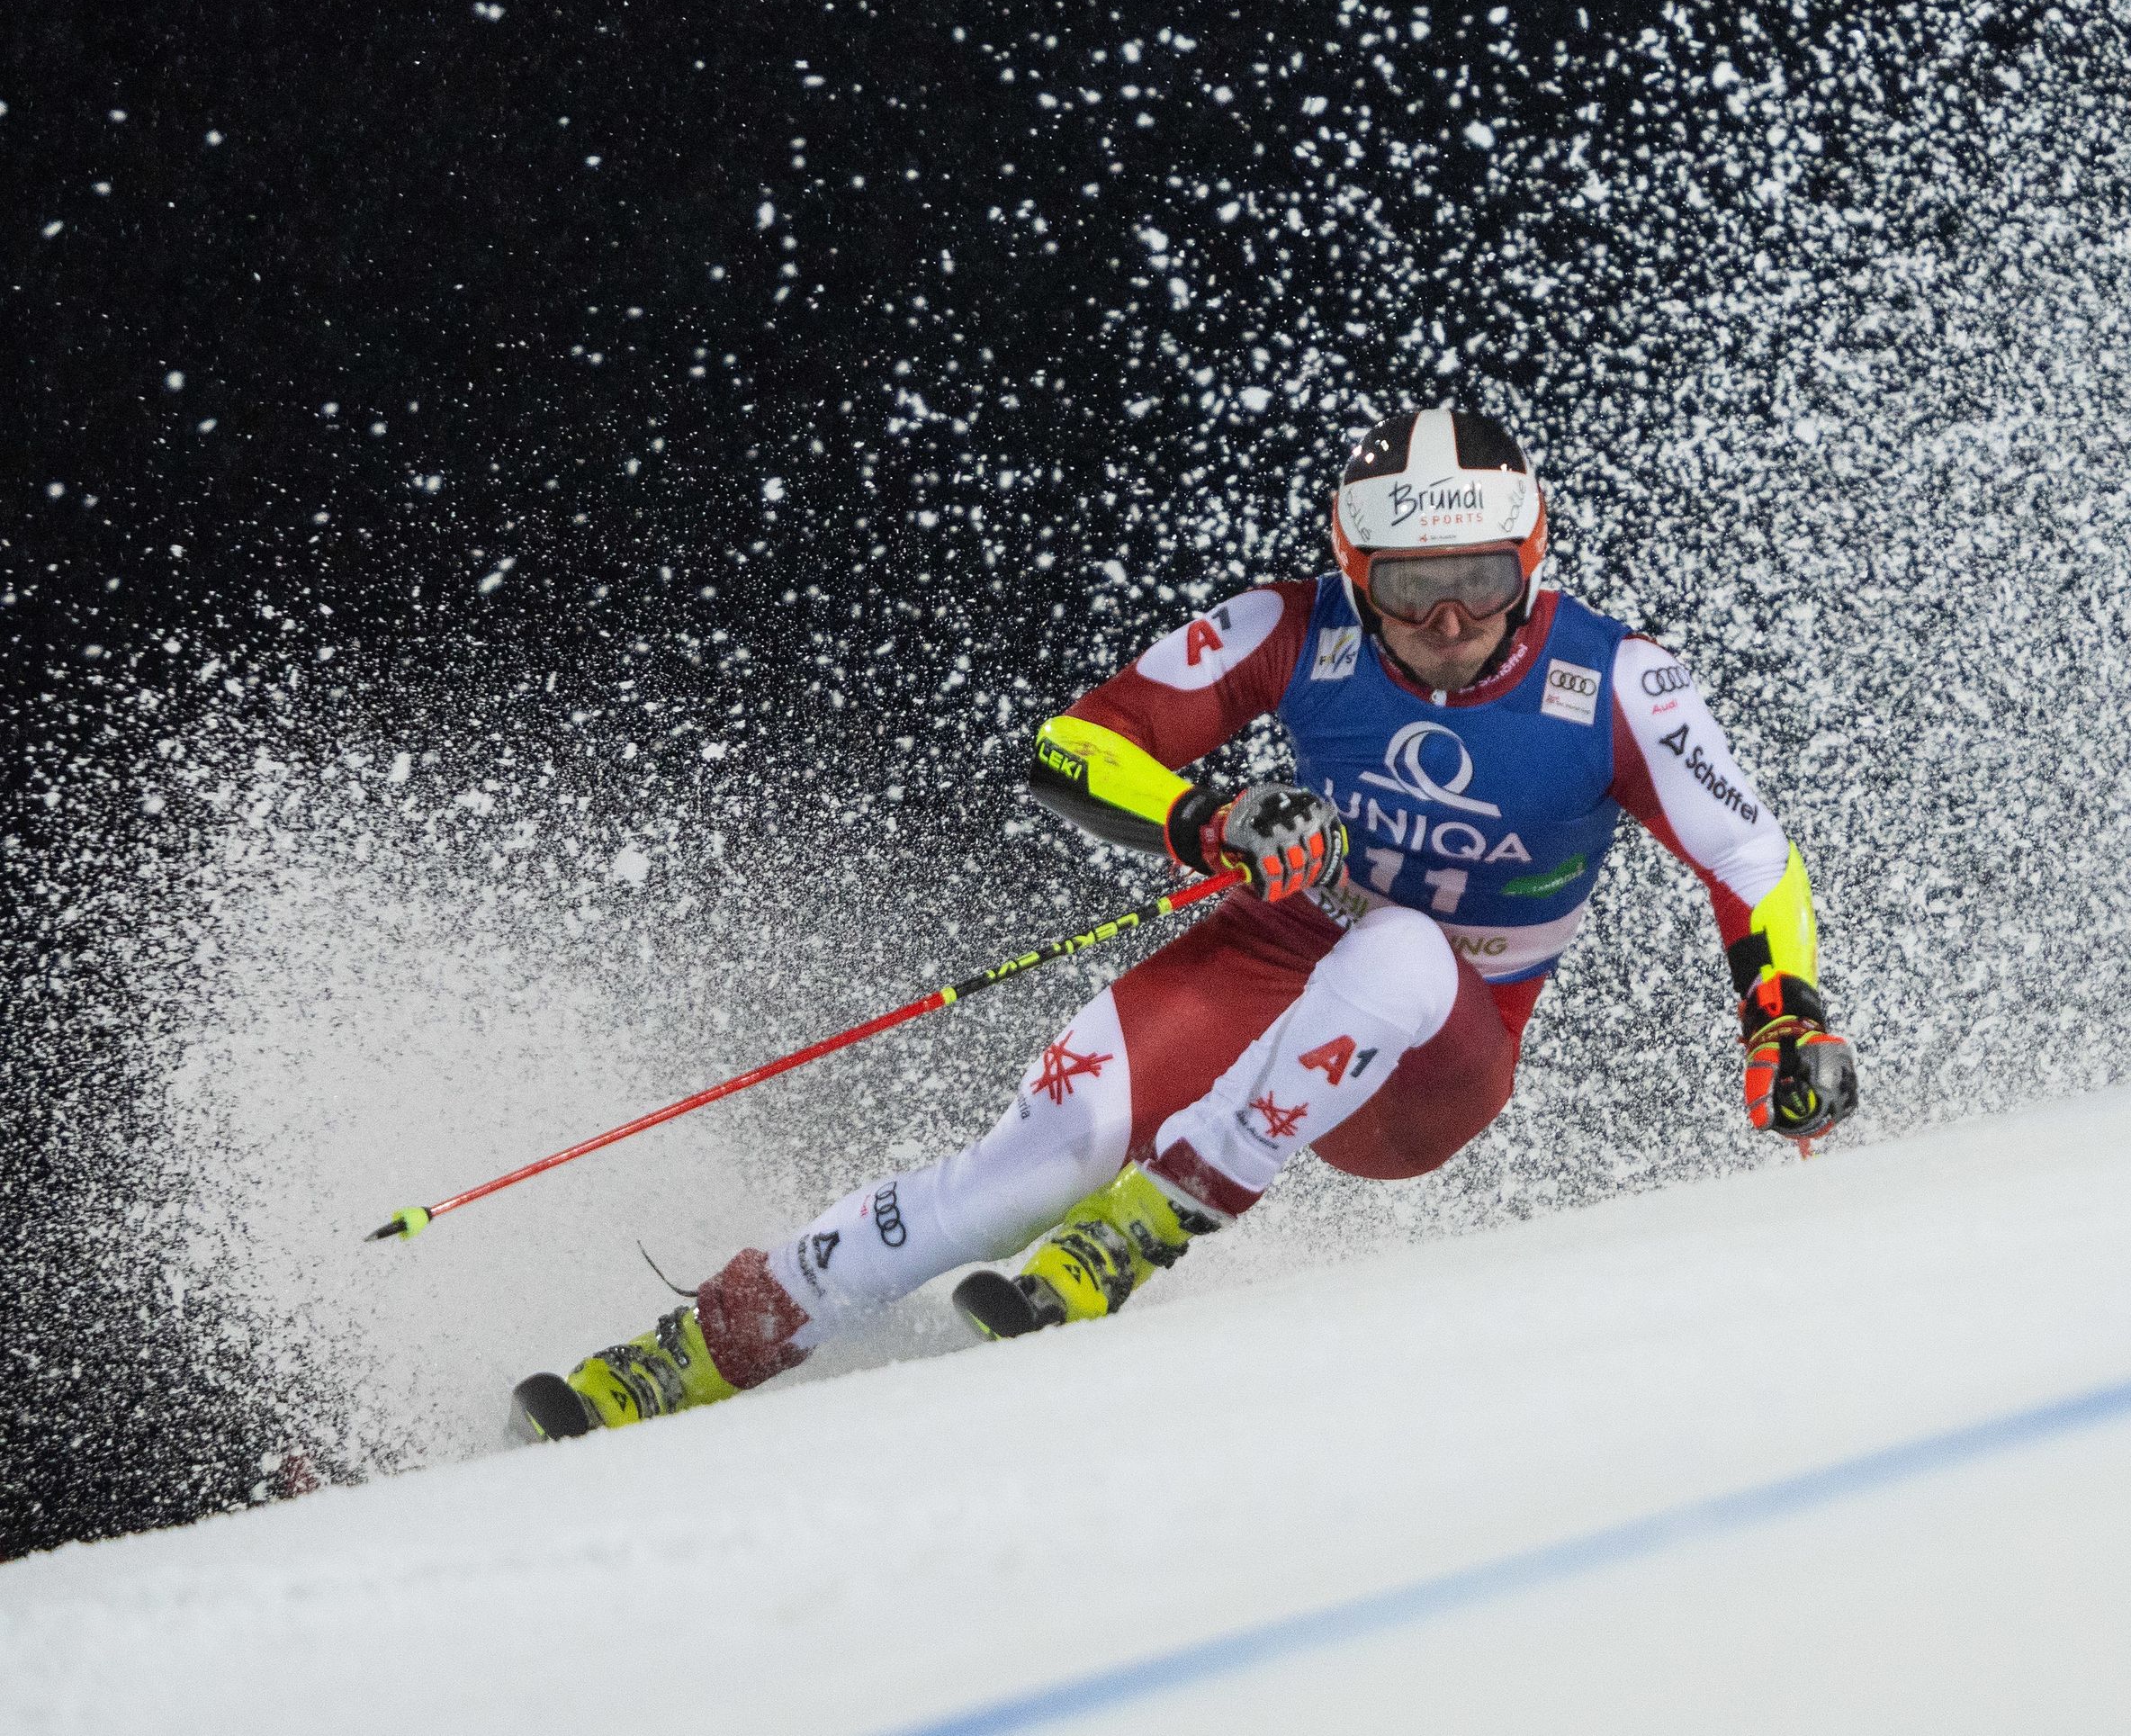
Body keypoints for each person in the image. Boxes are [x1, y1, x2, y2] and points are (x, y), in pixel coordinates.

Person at [513, 407, 1856, 1438]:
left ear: (1535, 558)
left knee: (1398, 948)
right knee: (1041, 1156)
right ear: (1353, 567)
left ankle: (1163, 1214)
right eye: (1406, 589)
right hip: (1278, 958)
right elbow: (1075, 746)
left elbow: (1750, 858)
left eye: (1484, 582)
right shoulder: (1288, 628)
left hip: (1439, 1054)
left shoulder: (1622, 682)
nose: (1449, 625)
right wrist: (1210, 818)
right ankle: (711, 1343)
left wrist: (1784, 1017)